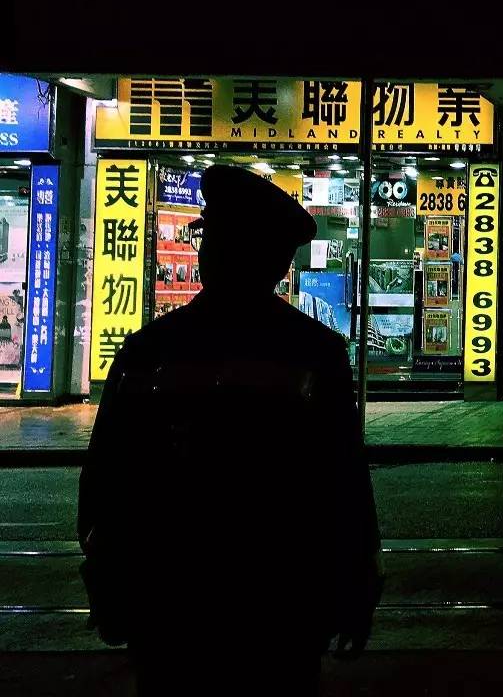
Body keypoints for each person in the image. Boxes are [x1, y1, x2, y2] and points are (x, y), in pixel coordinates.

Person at [78, 165, 381, 695]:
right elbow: (342, 485)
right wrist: (354, 588)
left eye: (207, 235)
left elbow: (108, 479)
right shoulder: (315, 352)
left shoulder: (151, 349)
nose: (202, 247)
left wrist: (109, 582)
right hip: (278, 602)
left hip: (172, 600)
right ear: (280, 262)